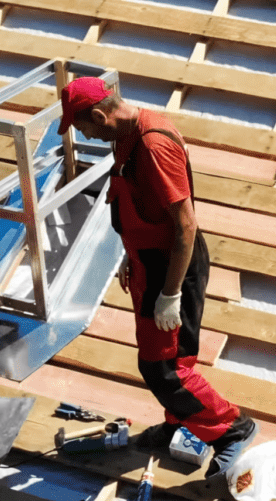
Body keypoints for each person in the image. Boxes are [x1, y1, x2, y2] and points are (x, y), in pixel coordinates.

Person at [58, 76, 257, 478]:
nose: (87, 136)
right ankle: (180, 422)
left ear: (101, 114)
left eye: (84, 129)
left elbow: (185, 227)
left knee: (165, 367)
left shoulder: (153, 145)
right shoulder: (127, 133)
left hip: (171, 268)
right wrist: (131, 255)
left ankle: (232, 427)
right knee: (166, 358)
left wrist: (170, 294)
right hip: (150, 261)